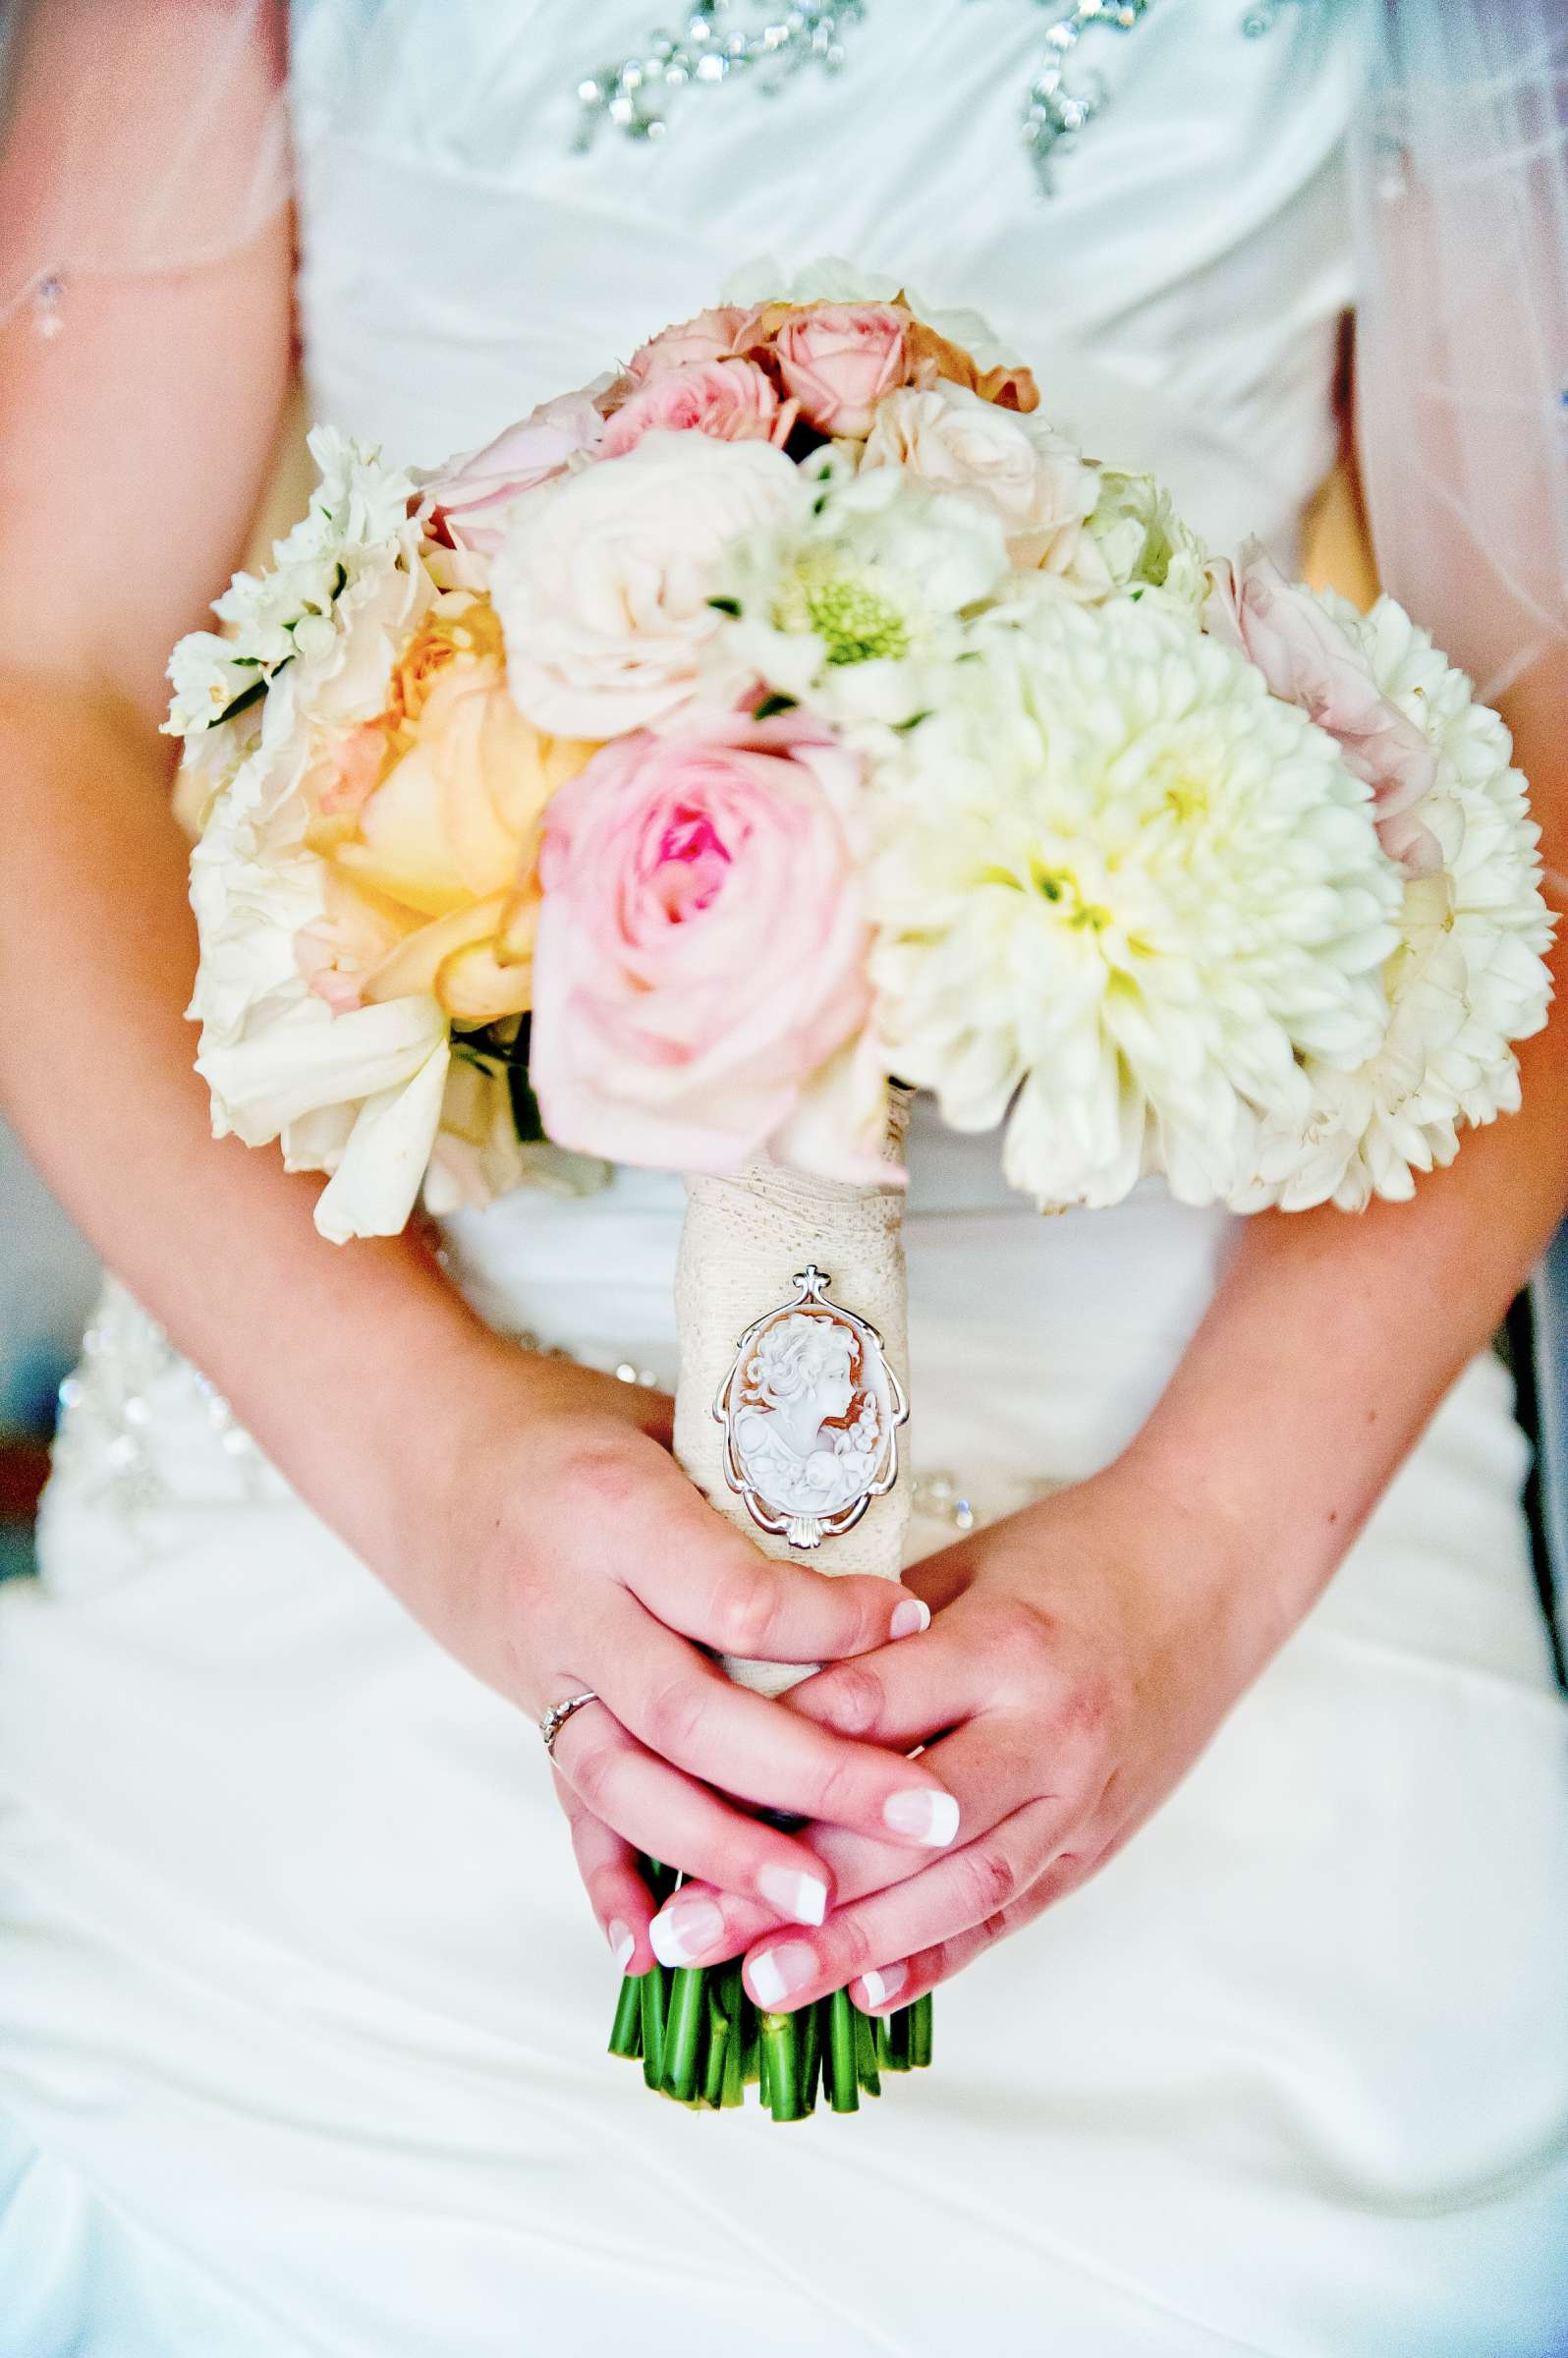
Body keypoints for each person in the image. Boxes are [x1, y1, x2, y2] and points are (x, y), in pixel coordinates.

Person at [1, 2, 1566, 2349]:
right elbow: (37, 674)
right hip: (372, 1406)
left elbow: (1539, 722)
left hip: (1220, 1429)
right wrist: (441, 1470)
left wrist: (1202, 1565)